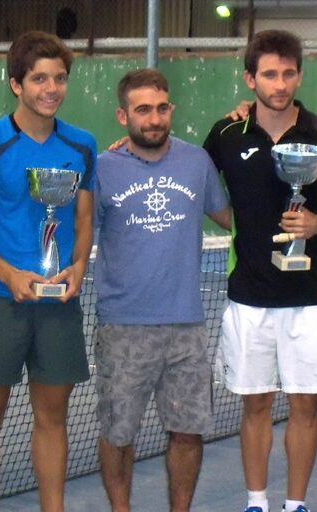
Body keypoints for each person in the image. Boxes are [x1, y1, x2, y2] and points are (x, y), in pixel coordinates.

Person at [0, 31, 96, 512]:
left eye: (59, 78)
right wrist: (9, 274)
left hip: (59, 301)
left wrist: (78, 266)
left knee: (54, 415)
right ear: (16, 84)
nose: (50, 88)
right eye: (38, 79)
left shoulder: (82, 145)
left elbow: (84, 219)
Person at [203, 30, 317, 512]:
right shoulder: (226, 133)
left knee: (305, 405)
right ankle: (256, 502)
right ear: (251, 78)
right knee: (256, 405)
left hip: (310, 297)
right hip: (248, 296)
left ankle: (296, 504)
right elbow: (189, 179)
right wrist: (238, 222)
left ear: (299, 75)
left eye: (288, 73)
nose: (280, 83)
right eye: (269, 74)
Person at [94, 69, 231, 512]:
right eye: (142, 110)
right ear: (123, 115)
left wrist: (292, 222)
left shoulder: (197, 162)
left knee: (188, 431)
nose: (154, 118)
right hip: (123, 327)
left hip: (187, 325)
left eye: (161, 107)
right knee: (119, 433)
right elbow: (76, 235)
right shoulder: (102, 168)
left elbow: (232, 218)